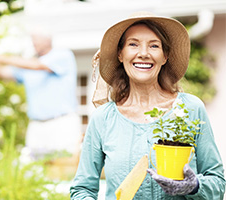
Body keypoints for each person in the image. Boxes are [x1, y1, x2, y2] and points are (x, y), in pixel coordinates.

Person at [70, 12, 225, 199]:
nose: (143, 53)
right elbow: (82, 190)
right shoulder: (103, 118)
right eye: (133, 44)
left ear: (165, 56)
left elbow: (217, 182)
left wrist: (193, 186)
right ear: (120, 54)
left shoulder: (190, 109)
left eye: (154, 46)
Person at [0, 28, 81, 159]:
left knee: (64, 164)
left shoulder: (62, 55)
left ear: (48, 39)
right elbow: (2, 73)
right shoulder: (27, 64)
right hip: (36, 126)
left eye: (36, 39)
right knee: (34, 169)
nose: (33, 42)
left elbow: (37, 65)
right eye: (32, 39)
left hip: (61, 123)